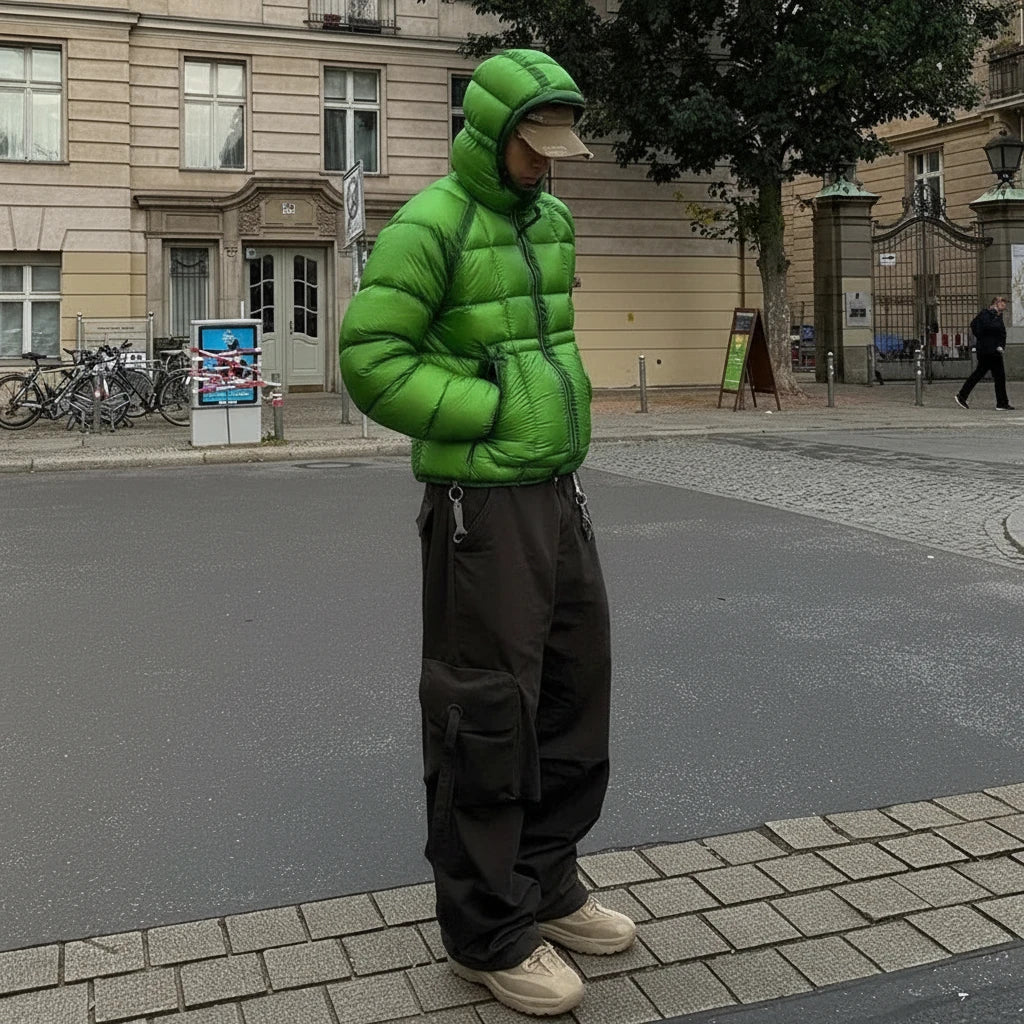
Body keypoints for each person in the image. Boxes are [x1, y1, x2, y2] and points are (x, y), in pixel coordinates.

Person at [339, 48, 635, 1017]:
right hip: (479, 504)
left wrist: (546, 420)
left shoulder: (550, 219)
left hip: (557, 490)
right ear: (491, 133)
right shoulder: (427, 225)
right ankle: (485, 931)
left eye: (556, 148)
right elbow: (371, 360)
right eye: (534, 148)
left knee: (572, 689)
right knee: (485, 712)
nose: (548, 166)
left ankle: (545, 882)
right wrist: (496, 407)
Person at [956, 296, 1015, 410]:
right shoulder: (986, 314)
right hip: (986, 350)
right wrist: (983, 339)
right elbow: (975, 325)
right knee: (992, 375)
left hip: (994, 351)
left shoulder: (998, 317)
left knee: (989, 375)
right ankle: (1001, 403)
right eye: (1002, 303)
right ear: (995, 304)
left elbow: (1002, 333)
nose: (1004, 305)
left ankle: (963, 395)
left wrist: (1001, 346)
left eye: (1004, 304)